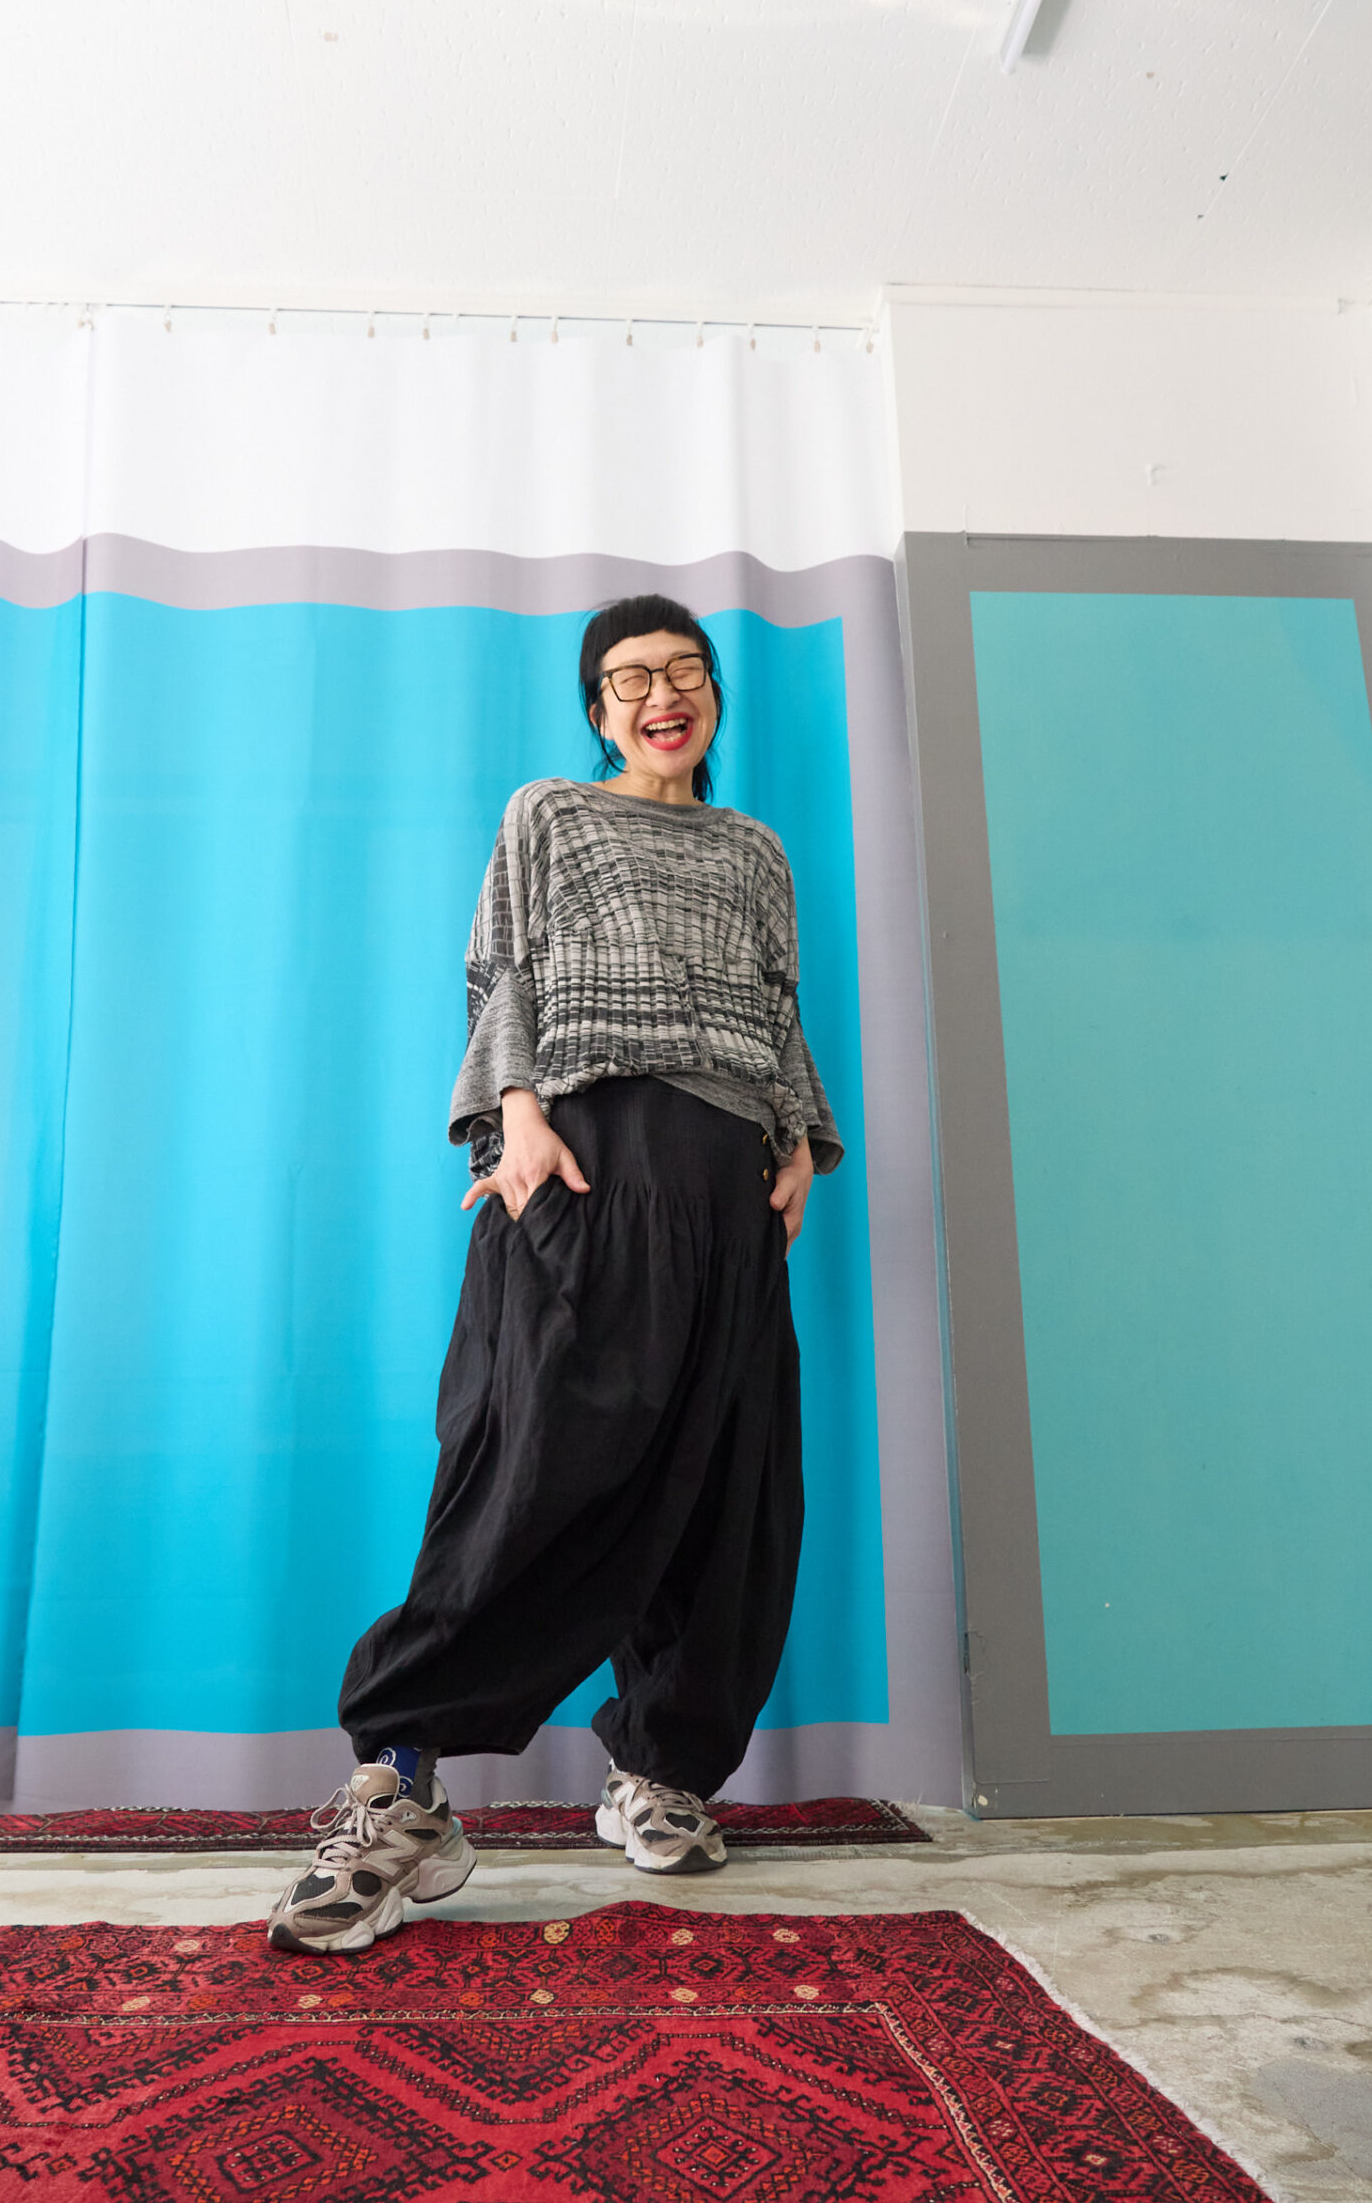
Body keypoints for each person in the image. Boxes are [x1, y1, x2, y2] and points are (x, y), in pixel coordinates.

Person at [266, 594, 842, 1957]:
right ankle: (402, 1789)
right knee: (529, 1474)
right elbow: (499, 971)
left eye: (685, 673)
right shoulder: (552, 815)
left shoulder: (758, 850)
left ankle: (659, 1768)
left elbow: (778, 1008)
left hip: (732, 1183)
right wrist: (514, 1118)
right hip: (588, 1164)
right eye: (631, 679)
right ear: (599, 711)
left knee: (729, 1494)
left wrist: (802, 1145)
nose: (662, 695)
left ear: (713, 700)